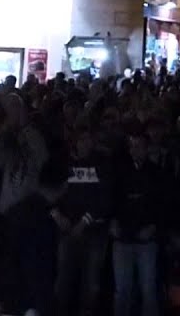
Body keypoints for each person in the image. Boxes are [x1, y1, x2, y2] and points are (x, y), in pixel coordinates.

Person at [54, 128, 113, 316]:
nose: (85, 143)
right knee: (63, 282)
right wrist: (57, 216)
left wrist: (84, 222)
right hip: (67, 231)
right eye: (81, 139)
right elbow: (50, 192)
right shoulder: (64, 163)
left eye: (88, 139)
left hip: (94, 232)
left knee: (91, 285)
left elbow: (104, 198)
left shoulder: (102, 163)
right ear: (75, 141)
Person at [111, 132, 164, 316]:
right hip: (123, 238)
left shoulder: (157, 173)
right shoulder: (120, 171)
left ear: (147, 148)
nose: (135, 150)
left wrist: (154, 226)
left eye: (139, 146)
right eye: (132, 146)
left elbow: (163, 205)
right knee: (122, 290)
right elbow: (112, 200)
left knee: (148, 290)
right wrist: (113, 222)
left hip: (147, 240)